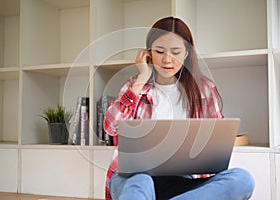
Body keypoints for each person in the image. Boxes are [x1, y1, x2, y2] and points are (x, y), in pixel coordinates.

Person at [103, 16, 254, 200]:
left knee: (243, 180)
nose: (167, 59)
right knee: (140, 182)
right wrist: (141, 79)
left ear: (187, 53)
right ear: (148, 52)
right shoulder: (134, 85)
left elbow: (217, 142)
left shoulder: (204, 90)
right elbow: (111, 127)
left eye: (175, 52)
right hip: (135, 179)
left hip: (184, 181)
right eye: (159, 51)